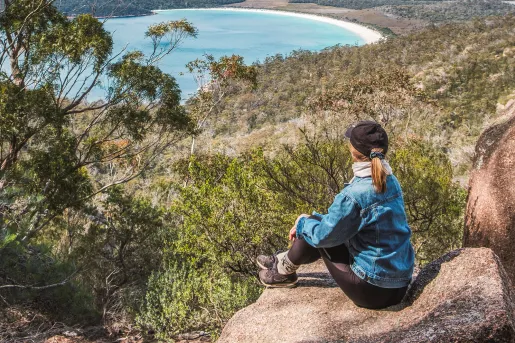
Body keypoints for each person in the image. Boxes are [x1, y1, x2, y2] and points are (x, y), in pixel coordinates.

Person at [256, 121, 415, 309]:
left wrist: (302, 223)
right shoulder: (390, 180)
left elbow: (323, 236)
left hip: (372, 290)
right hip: (399, 283)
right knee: (317, 223)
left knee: (314, 227)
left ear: (353, 151)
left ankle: (282, 271)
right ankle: (284, 261)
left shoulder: (355, 194)